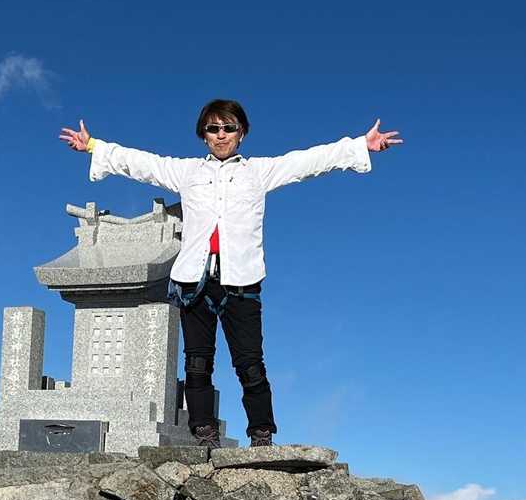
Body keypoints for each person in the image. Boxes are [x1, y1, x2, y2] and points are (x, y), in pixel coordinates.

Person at [60, 99, 401, 448]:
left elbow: (309, 161)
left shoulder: (258, 172)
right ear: (203, 135)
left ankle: (262, 433)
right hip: (193, 281)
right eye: (213, 128)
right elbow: (142, 164)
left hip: (242, 281)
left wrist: (361, 146)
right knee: (197, 363)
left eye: (229, 128)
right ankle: (204, 433)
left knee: (250, 364)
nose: (221, 135)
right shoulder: (187, 172)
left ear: (241, 134)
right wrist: (93, 146)